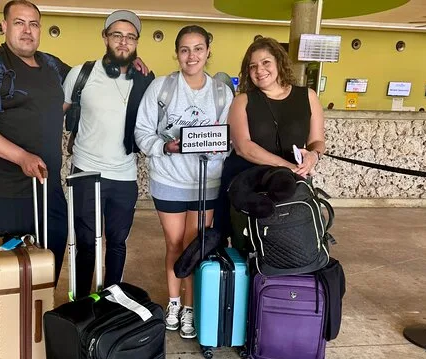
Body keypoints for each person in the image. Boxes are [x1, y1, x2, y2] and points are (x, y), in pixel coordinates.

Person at [135, 25, 234, 339]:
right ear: (177, 53)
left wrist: (220, 147)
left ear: (208, 51)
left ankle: (191, 307)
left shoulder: (222, 92)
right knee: (174, 245)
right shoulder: (161, 88)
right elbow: (142, 132)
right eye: (185, 50)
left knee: (196, 247)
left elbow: (230, 138)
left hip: (207, 182)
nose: (192, 56)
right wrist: (165, 147)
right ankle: (174, 302)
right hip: (169, 180)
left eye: (198, 49)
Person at [0, 0, 70, 281]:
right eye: (19, 23)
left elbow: (86, 80)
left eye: (33, 24)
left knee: (51, 258)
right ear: (4, 26)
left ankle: (41, 306)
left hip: (48, 187)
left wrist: (127, 62)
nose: (27, 30)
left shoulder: (52, 65)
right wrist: (22, 156)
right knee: (14, 269)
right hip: (5, 191)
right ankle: (17, 310)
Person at [62, 10, 155, 298]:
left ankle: (111, 302)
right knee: (86, 243)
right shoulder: (81, 74)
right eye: (117, 35)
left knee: (117, 243)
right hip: (86, 172)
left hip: (124, 175)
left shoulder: (145, 81)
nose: (124, 42)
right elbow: (57, 114)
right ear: (105, 38)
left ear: (136, 42)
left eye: (130, 37)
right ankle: (80, 302)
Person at [213, 36, 325, 244]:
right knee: (247, 244)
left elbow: (317, 141)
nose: (259, 70)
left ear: (279, 63)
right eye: (253, 66)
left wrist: (313, 156)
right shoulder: (242, 101)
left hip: (289, 183)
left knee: (290, 241)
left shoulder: (308, 96)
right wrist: (288, 167)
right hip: (248, 184)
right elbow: (244, 147)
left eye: (266, 62)